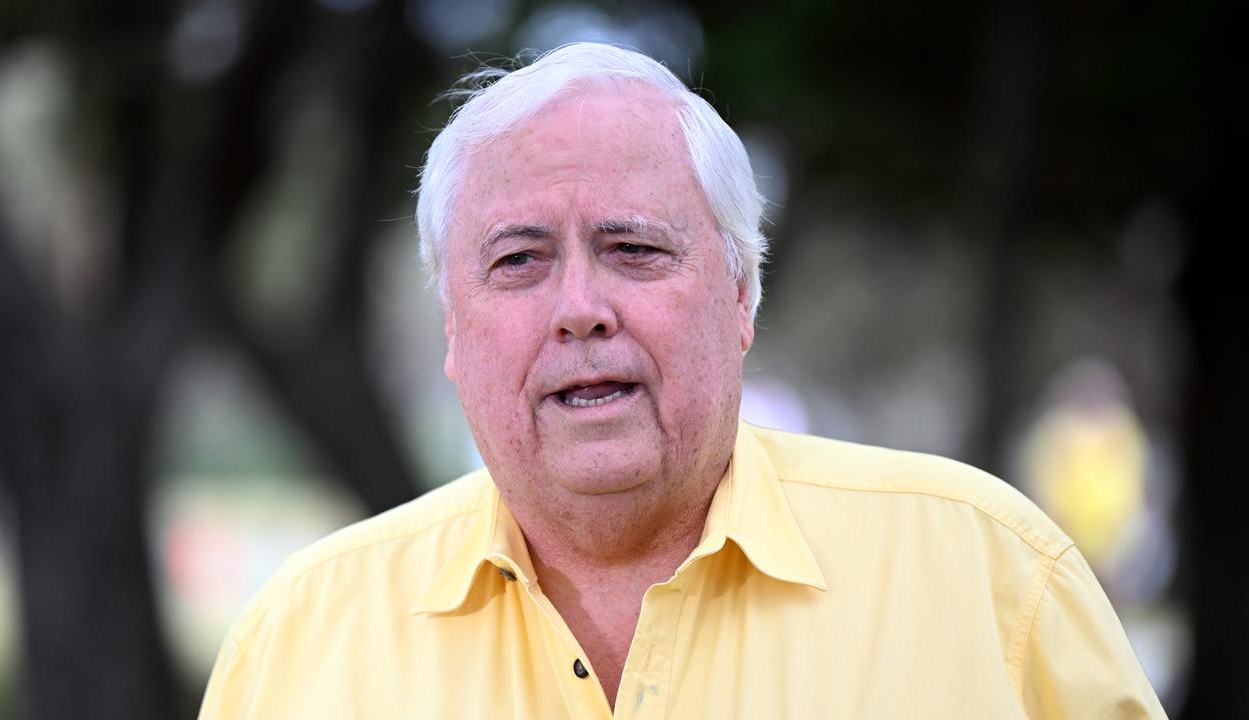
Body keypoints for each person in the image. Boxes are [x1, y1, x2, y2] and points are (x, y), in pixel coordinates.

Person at [199, 42, 1165, 719]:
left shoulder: (991, 583)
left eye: (633, 248)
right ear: (453, 328)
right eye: (519, 262)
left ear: (742, 294)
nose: (580, 306)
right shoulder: (298, 645)